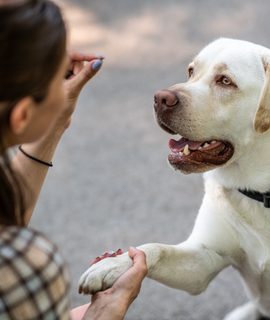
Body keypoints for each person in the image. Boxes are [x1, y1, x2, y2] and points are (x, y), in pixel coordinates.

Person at [0, 0, 148, 319]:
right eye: (56, 76)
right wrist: (106, 311)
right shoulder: (24, 267)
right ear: (22, 114)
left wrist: (53, 125)